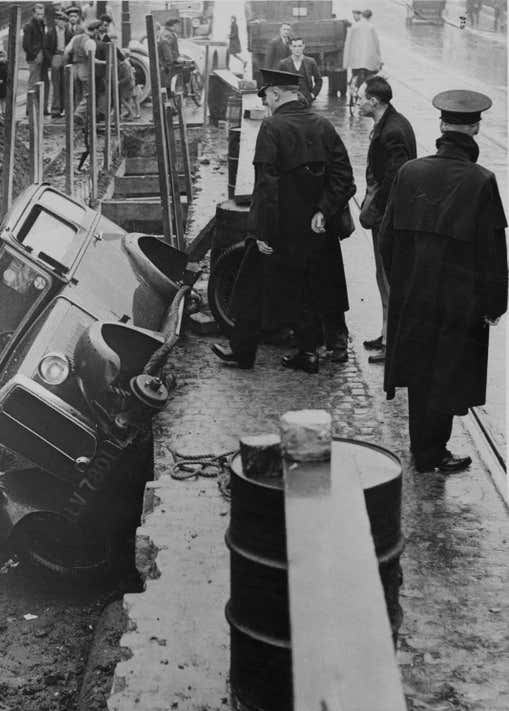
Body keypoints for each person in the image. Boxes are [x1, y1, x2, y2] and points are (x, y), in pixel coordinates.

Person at [379, 90, 507, 473]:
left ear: (441, 126)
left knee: (419, 371)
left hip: (415, 295)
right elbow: (492, 255)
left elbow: (387, 240)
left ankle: (423, 451)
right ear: (475, 129)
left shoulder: (410, 172)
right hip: (458, 303)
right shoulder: (481, 181)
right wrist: (493, 305)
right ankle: (434, 453)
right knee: (447, 373)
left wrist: (403, 282)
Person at [211, 69, 356, 373]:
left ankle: (244, 352)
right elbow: (344, 178)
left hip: (280, 230)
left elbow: (266, 186)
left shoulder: (272, 128)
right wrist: (323, 211)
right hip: (318, 230)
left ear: (275, 94)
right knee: (319, 287)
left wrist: (261, 232)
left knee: (249, 285)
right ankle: (312, 351)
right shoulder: (323, 125)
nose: (266, 105)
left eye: (265, 98)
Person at [356, 76, 416, 364]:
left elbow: (396, 177)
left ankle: (393, 343)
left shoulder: (393, 130)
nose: (358, 103)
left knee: (390, 279)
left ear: (374, 101)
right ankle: (385, 333)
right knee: (382, 278)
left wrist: (375, 209)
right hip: (386, 216)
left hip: (390, 219)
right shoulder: (390, 123)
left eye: (361, 98)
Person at [343, 6, 381, 89]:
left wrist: (346, 62)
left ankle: (353, 93)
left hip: (355, 61)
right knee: (368, 80)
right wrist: (379, 60)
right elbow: (376, 45)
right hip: (368, 61)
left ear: (362, 15)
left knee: (355, 77)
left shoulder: (354, 27)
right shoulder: (371, 27)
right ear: (370, 17)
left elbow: (348, 44)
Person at [278, 37, 322, 104]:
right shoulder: (283, 63)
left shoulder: (311, 62)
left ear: (303, 46)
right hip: (289, 102)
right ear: (290, 47)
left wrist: (313, 95)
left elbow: (319, 80)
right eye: (294, 46)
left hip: (307, 100)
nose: (297, 49)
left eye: (299, 46)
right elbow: (277, 83)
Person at [23, 3, 48, 115]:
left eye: (42, 14)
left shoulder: (41, 24)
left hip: (42, 56)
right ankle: (30, 108)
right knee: (33, 82)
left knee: (41, 82)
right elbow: (26, 44)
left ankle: (40, 107)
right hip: (34, 58)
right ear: (33, 13)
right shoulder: (29, 26)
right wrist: (35, 55)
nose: (40, 16)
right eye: (38, 14)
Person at [46, 6, 71, 118]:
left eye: (65, 21)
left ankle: (66, 108)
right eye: (61, 21)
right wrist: (51, 59)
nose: (63, 23)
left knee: (66, 83)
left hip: (65, 56)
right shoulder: (51, 32)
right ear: (57, 21)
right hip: (55, 56)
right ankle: (56, 109)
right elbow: (46, 48)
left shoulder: (69, 32)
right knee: (56, 83)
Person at [157, 17, 181, 91]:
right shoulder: (167, 35)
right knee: (168, 86)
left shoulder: (168, 33)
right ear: (174, 25)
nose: (179, 27)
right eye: (178, 25)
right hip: (166, 65)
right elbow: (166, 50)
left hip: (167, 64)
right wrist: (170, 63)